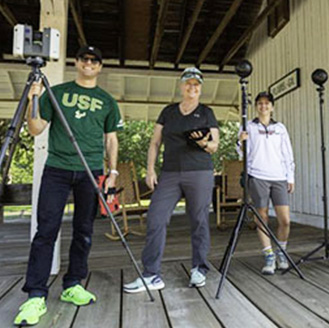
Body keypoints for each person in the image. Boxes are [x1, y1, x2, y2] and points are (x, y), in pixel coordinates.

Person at [14, 46, 123, 326]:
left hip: (90, 171)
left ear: (100, 66)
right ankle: (35, 294)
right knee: (46, 230)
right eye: (84, 59)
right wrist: (33, 100)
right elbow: (36, 128)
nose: (88, 63)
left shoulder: (107, 101)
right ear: (77, 63)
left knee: (84, 232)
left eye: (94, 60)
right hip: (57, 169)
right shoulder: (58, 92)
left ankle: (73, 284)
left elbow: (111, 139)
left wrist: (112, 172)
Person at [123, 67, 219, 293]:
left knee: (199, 220)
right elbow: (155, 142)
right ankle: (151, 275)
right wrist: (150, 169)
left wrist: (202, 143)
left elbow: (214, 146)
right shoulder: (168, 112)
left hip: (200, 172)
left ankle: (199, 269)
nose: (192, 87)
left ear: (200, 88)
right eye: (188, 83)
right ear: (181, 85)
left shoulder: (207, 112)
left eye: (196, 84)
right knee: (156, 217)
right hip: (170, 173)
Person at [238, 91, 295, 275]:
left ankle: (281, 252)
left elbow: (287, 153)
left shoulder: (280, 128)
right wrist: (241, 143)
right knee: (261, 217)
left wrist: (290, 176)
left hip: (279, 176)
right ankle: (269, 255)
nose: (263, 106)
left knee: (284, 220)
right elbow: (242, 154)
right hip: (258, 176)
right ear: (256, 106)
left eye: (266, 103)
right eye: (260, 103)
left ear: (272, 106)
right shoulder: (248, 126)